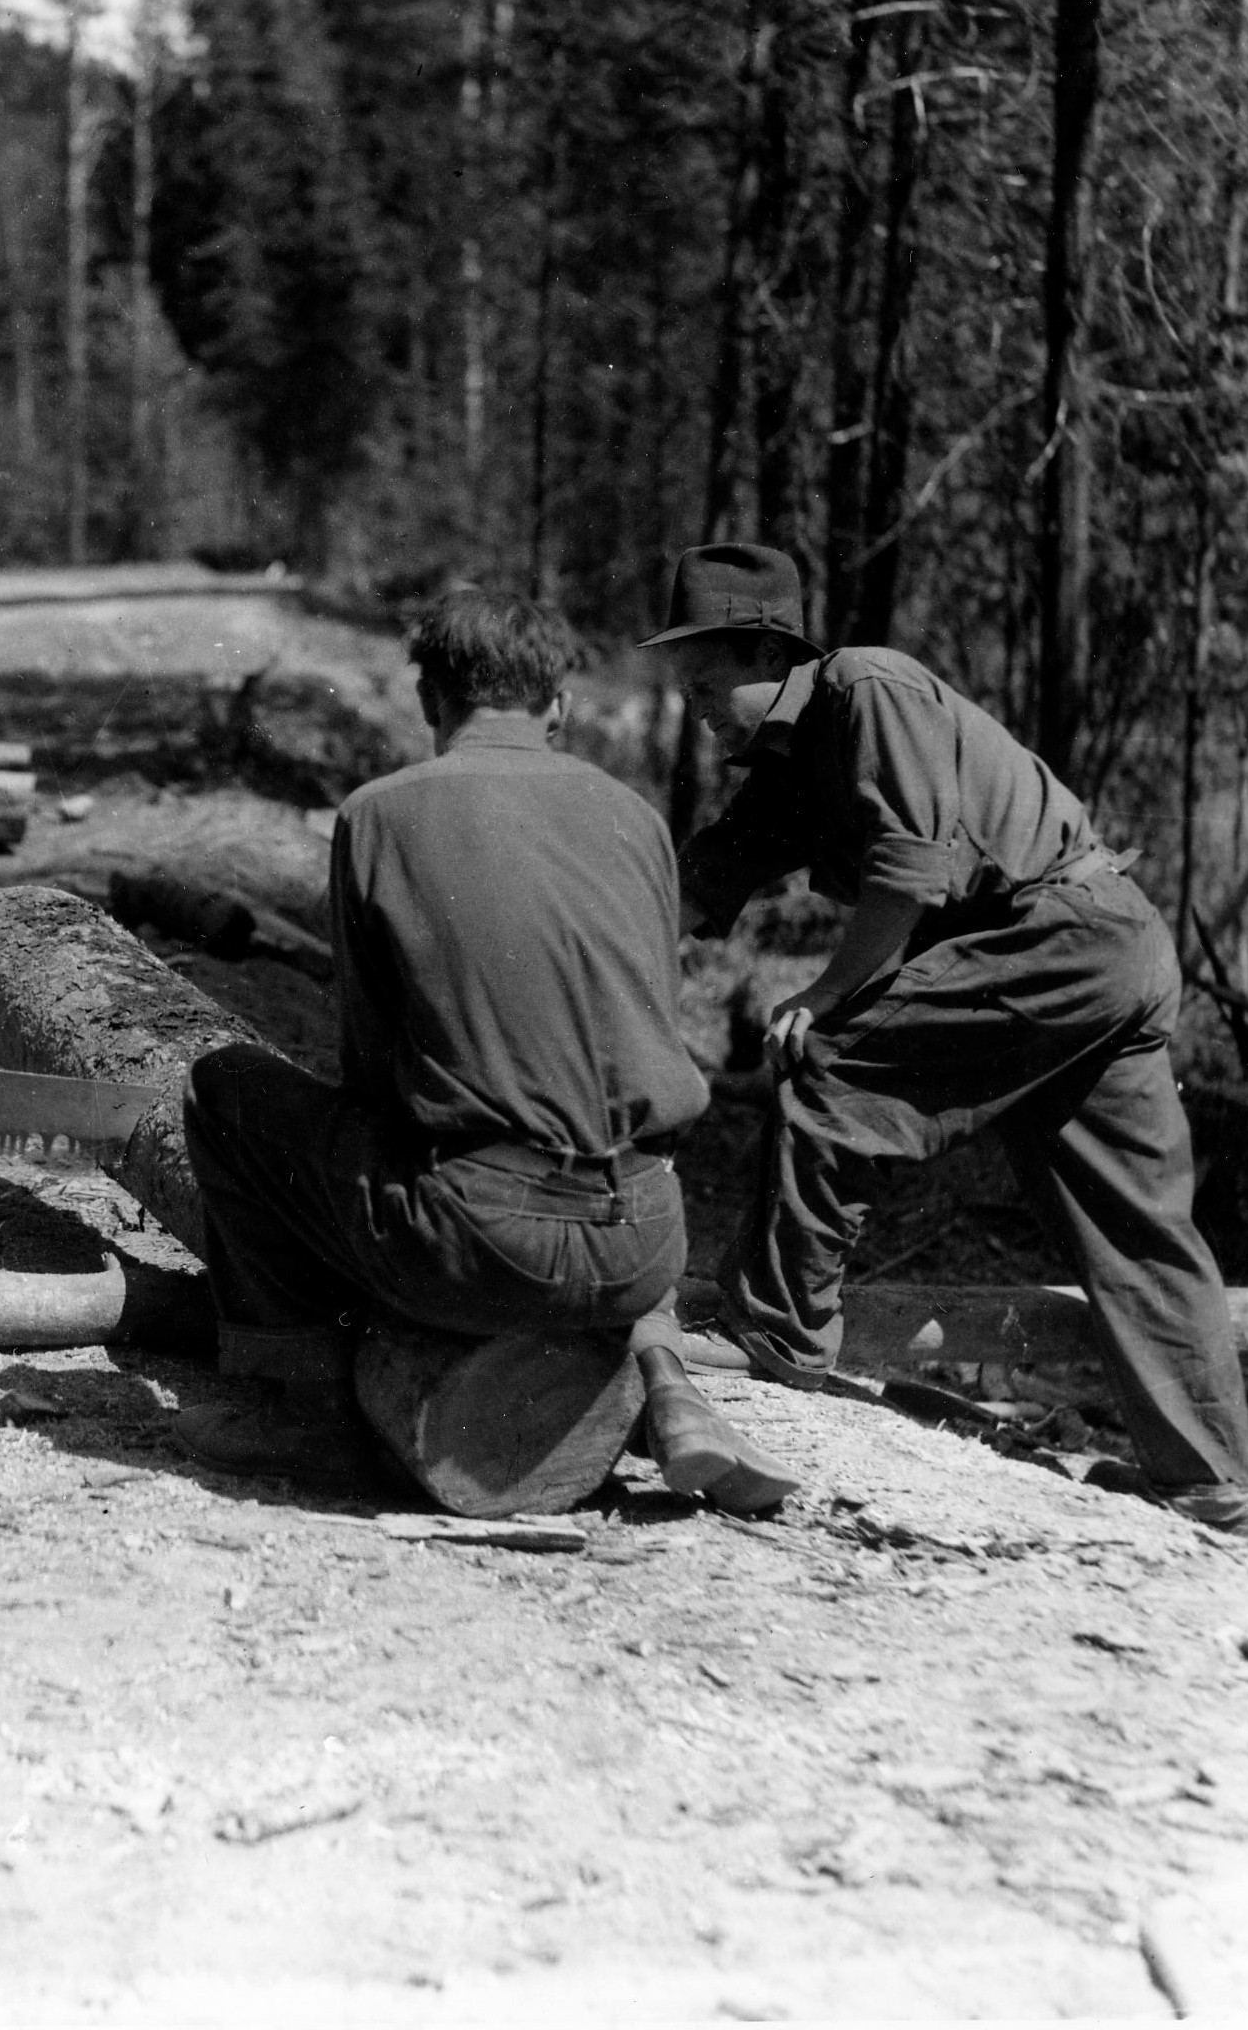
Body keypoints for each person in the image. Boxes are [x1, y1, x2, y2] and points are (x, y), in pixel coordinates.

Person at [645, 541, 1248, 1527]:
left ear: (769, 650)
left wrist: (825, 992)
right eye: (686, 687)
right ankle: (1208, 1477)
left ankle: (776, 1334)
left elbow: (906, 872)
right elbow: (708, 875)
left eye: (709, 681)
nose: (698, 705)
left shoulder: (864, 689)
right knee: (1132, 1220)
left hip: (1060, 936)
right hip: (1101, 955)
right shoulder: (788, 758)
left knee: (828, 1065)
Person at [175, 586, 793, 1508]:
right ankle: (658, 1374)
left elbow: (373, 1077)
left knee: (223, 1089)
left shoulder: (380, 815)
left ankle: (292, 1403)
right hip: (646, 1242)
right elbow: (642, 1039)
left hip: (479, 1248)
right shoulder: (636, 821)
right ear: (559, 706)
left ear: (431, 700)